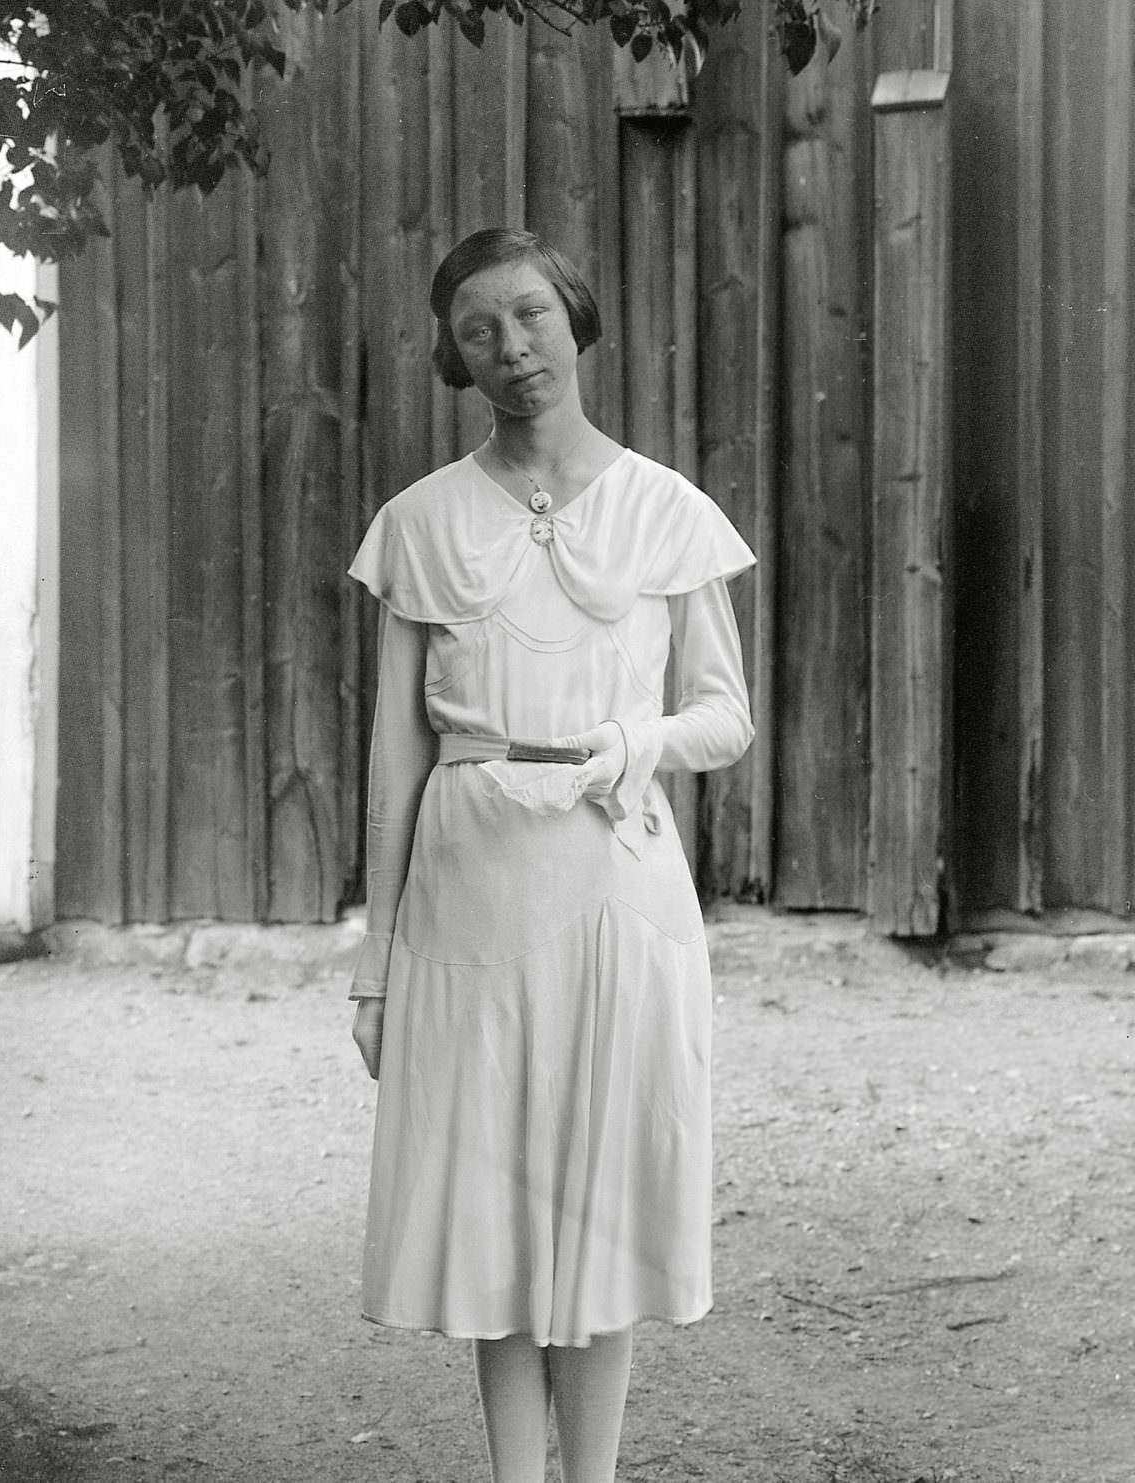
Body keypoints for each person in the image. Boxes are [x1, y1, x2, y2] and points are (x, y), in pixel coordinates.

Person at [347, 227, 755, 1483]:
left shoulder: (662, 509)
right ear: (454, 356)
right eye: (481, 329)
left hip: (616, 884)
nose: (513, 349)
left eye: (530, 315)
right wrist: (376, 957)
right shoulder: (418, 523)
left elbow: (725, 715)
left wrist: (634, 740)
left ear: (575, 319)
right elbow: (395, 755)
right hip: (468, 889)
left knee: (597, 1200)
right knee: (497, 1209)